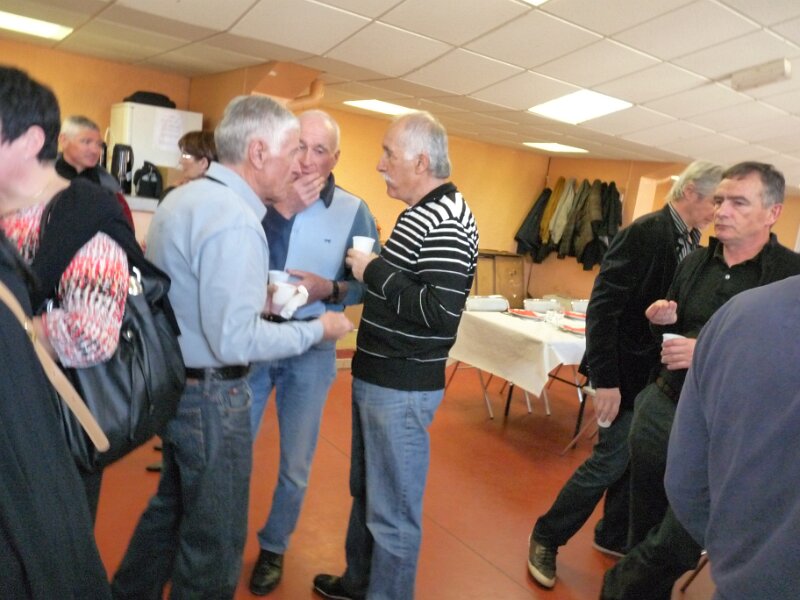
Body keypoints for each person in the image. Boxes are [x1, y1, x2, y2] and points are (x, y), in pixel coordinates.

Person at [110, 95, 354, 600]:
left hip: (178, 385)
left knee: (170, 512)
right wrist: (319, 329)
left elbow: (192, 290)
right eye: (293, 150)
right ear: (259, 152)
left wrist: (252, 296)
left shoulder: (185, 198)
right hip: (212, 399)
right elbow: (235, 339)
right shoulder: (236, 219)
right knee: (215, 543)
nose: (299, 165)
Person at [601, 161, 800, 600]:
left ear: (772, 213)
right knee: (644, 523)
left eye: (738, 202)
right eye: (720, 200)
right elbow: (670, 335)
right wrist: (662, 322)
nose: (721, 211)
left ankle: (618, 589)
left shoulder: (789, 276)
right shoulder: (694, 261)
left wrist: (707, 353)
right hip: (663, 409)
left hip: (731, 432)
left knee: (682, 538)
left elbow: (783, 364)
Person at [526, 161, 723, 589]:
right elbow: (603, 308)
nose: (718, 211)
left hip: (655, 379)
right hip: (625, 375)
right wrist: (607, 381)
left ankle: (612, 534)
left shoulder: (692, 242)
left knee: (634, 462)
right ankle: (546, 535)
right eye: (715, 200)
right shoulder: (646, 233)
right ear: (691, 191)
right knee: (609, 461)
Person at [312, 111, 479, 600]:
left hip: (401, 388)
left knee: (393, 514)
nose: (380, 164)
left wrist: (373, 270)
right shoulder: (419, 212)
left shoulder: (447, 220)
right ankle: (359, 583)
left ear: (421, 162)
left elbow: (440, 312)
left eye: (388, 153)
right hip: (380, 378)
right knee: (368, 492)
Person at [247, 110, 378, 596]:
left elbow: (367, 284)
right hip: (254, 339)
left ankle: (274, 547)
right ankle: (216, 536)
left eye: (319, 150)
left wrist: (332, 288)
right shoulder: (261, 195)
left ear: (334, 158)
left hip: (313, 347)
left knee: (296, 464)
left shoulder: (354, 210)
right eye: (299, 145)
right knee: (231, 448)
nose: (305, 160)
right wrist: (280, 208)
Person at [0, 65, 112, 600]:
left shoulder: (86, 214)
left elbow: (93, 334)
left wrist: (21, 328)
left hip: (55, 424)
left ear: (29, 141)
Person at [665, 274, 800, 600]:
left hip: (747, 574)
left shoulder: (746, 309)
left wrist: (739, 555)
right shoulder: (698, 269)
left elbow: (686, 481)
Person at [56, 114, 134, 228]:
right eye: (86, 142)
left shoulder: (109, 187)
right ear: (63, 140)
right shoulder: (44, 176)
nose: (95, 150)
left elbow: (125, 230)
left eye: (99, 144)